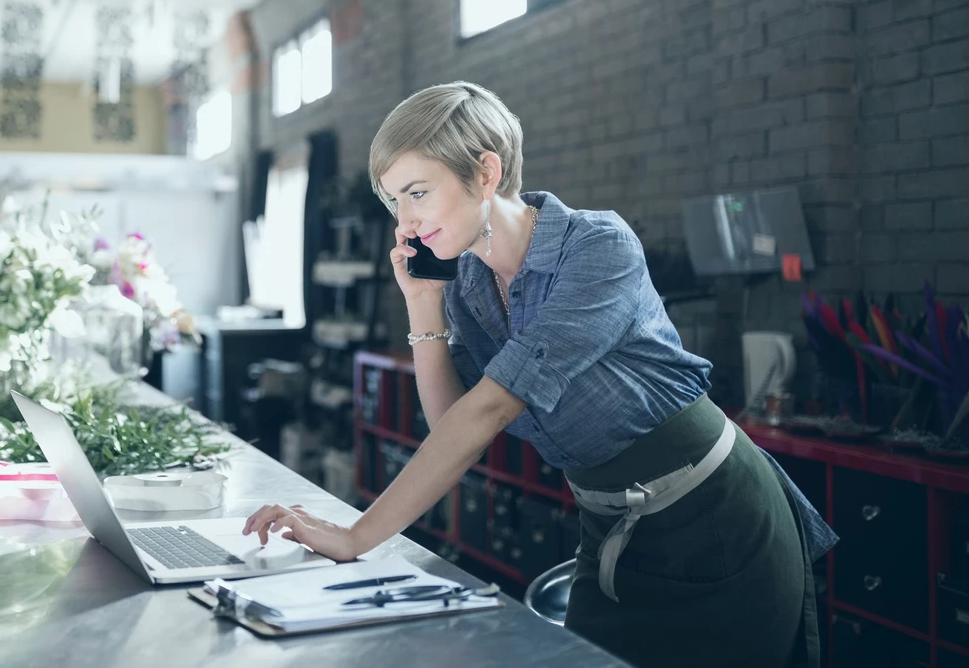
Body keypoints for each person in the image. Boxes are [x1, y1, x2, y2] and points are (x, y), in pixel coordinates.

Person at [244, 81, 835, 668]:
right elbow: (454, 428)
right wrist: (422, 303)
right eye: (395, 201)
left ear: (485, 173)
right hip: (609, 527)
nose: (406, 222)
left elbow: (491, 409)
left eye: (418, 192)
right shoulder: (469, 284)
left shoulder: (598, 248)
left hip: (714, 518)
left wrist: (355, 536)